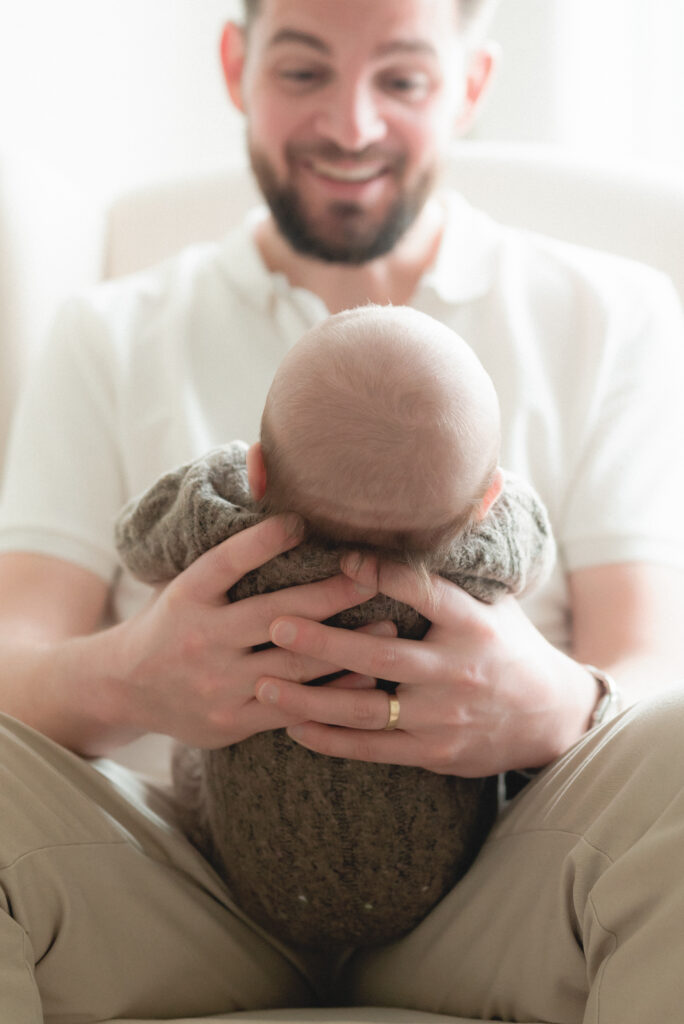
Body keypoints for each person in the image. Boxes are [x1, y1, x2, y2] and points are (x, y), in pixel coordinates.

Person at [1, 0, 684, 1020]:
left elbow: (656, 662)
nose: (352, 125)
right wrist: (132, 679)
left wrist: (541, 705)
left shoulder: (608, 314)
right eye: (306, 72)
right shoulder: (111, 333)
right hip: (184, 883)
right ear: (238, 65)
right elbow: (15, 649)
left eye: (402, 80)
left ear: (472, 85)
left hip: (496, 880)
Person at [114, 303, 554, 949]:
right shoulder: (485, 552)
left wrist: (220, 474)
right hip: (449, 880)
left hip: (246, 873)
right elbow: (535, 553)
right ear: (486, 500)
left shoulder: (221, 522)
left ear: (257, 470)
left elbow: (136, 542)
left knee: (198, 764)